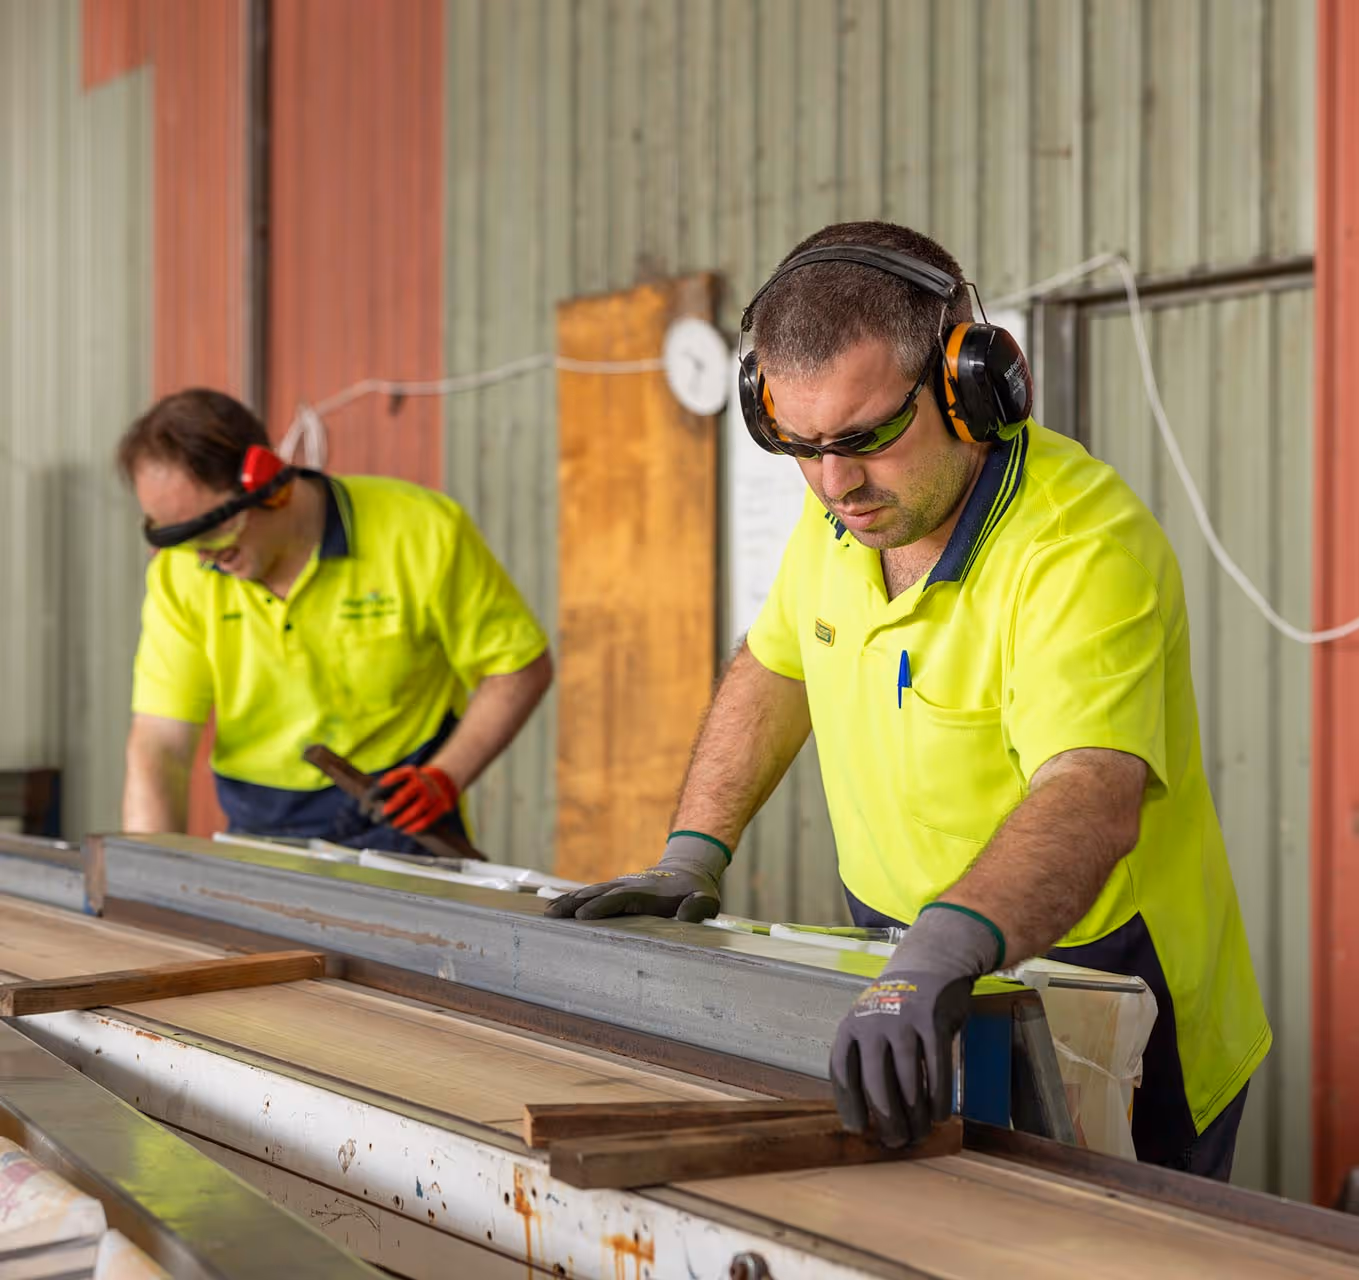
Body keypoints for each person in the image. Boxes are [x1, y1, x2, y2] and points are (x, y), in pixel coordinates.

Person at [547, 221, 1269, 1181]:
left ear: (972, 387)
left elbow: (1090, 789)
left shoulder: (1080, 545)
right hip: (912, 957)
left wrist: (939, 949)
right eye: (798, 445)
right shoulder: (845, 514)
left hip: (1103, 985)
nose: (835, 482)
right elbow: (775, 666)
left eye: (867, 436)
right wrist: (692, 855)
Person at [118, 388, 552, 855]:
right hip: (262, 831)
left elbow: (518, 667)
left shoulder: (421, 532)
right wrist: (144, 877)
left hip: (399, 820)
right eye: (182, 538)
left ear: (271, 483)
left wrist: (447, 775)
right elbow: (161, 746)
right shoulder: (180, 573)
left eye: (216, 529)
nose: (204, 556)